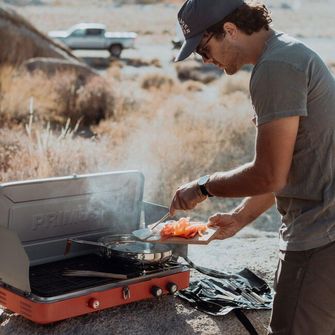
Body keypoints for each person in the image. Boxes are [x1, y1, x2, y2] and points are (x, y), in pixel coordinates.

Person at [170, 0, 335, 334]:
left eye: (204, 48)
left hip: (321, 238)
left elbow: (269, 173)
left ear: (229, 30)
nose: (206, 61)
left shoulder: (275, 67)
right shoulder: (287, 54)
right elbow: (287, 168)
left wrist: (203, 186)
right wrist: (241, 217)